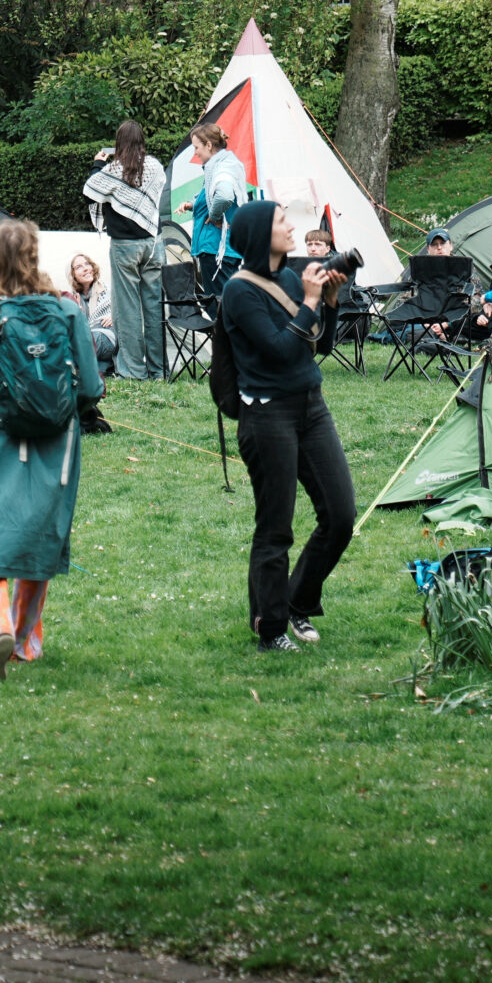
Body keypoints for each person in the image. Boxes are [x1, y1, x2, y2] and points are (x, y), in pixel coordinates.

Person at [0, 219, 101, 681]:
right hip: (57, 443)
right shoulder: (69, 312)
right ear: (35, 259)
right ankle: (27, 641)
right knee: (39, 534)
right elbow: (91, 386)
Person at [219, 200, 356, 653]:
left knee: (340, 517)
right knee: (276, 527)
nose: (290, 226)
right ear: (261, 234)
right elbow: (279, 350)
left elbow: (316, 346)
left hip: (311, 408)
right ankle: (272, 627)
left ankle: (298, 600)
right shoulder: (239, 292)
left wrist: (329, 301)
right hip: (267, 414)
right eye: (281, 221)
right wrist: (311, 300)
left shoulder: (288, 278)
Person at [82, 119, 166, 381]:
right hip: (154, 244)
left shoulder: (111, 170)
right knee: (153, 307)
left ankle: (132, 372)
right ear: (142, 140)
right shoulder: (154, 166)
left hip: (125, 247)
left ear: (118, 143)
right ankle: (158, 370)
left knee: (127, 310)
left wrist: (97, 163)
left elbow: (89, 192)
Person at [185, 124, 252, 294]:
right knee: (224, 304)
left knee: (219, 307)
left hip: (216, 248)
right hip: (220, 248)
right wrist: (193, 205)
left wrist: (214, 216)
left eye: (196, 147)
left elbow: (223, 195)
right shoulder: (220, 166)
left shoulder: (222, 168)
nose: (195, 153)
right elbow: (210, 197)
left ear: (208, 145)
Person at [63, 252, 119, 372]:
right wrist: (77, 312)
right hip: (88, 338)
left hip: (107, 337)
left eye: (87, 264)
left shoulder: (108, 290)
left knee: (81, 342)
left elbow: (127, 312)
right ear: (72, 274)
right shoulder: (72, 298)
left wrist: (114, 315)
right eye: (79, 267)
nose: (85, 269)